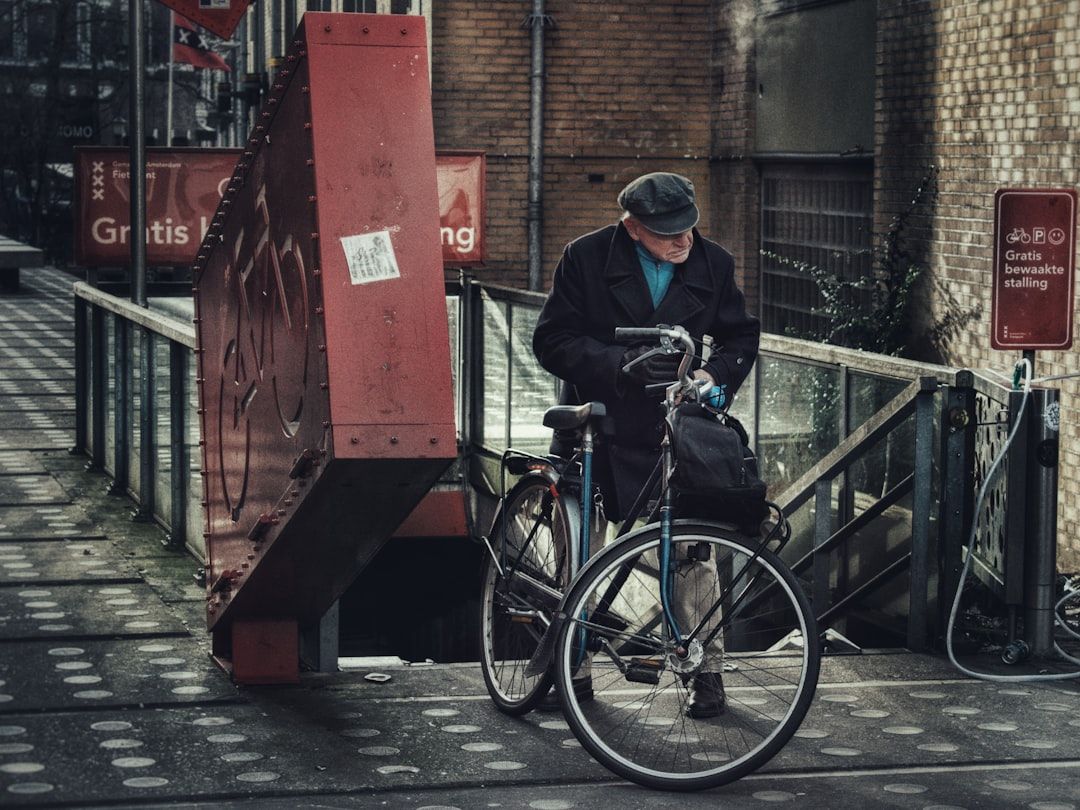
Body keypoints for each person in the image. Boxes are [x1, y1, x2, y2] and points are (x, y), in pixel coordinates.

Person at [532, 171, 760, 718]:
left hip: (675, 427)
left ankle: (706, 671)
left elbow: (740, 336)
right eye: (667, 233)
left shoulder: (714, 262)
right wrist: (618, 365)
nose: (683, 241)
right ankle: (573, 668)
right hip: (599, 421)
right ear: (633, 228)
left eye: (689, 228)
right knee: (583, 549)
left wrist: (710, 376)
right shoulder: (584, 258)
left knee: (692, 550)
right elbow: (552, 339)